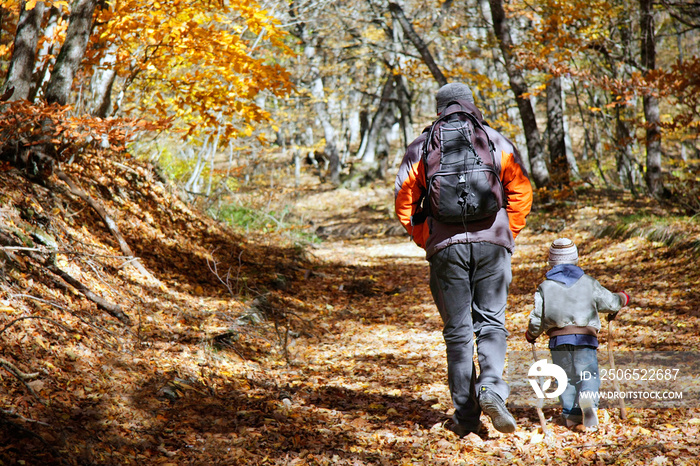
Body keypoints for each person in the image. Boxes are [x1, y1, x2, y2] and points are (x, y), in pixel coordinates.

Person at [394, 82, 533, 437]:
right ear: (472, 105)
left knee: (457, 334)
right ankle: (491, 387)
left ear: (439, 109)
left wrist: (426, 237)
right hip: (493, 245)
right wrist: (506, 232)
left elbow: (404, 199)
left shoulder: (423, 145)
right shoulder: (494, 139)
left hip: (445, 248)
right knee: (491, 323)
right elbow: (520, 190)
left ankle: (466, 418)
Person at [525, 238, 630, 428]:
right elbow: (610, 303)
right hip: (585, 339)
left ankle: (571, 416)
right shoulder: (589, 283)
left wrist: (531, 334)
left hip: (558, 340)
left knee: (565, 377)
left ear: (551, 261)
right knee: (587, 375)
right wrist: (623, 298)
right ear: (575, 259)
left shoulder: (545, 287)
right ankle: (588, 404)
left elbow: (537, 317)